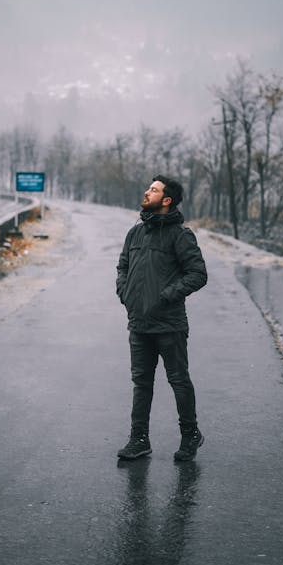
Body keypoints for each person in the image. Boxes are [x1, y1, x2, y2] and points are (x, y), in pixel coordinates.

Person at [116, 175, 208, 461]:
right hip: (139, 323)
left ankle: (190, 435)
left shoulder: (180, 235)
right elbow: (122, 266)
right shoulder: (135, 233)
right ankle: (139, 439)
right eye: (148, 187)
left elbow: (198, 274)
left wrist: (167, 295)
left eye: (153, 190)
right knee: (141, 383)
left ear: (166, 200)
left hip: (169, 324)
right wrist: (126, 293)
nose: (147, 192)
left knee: (178, 380)